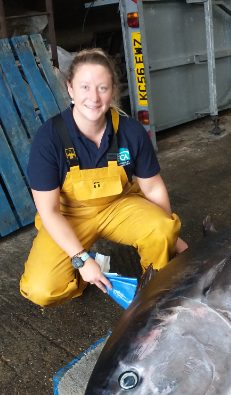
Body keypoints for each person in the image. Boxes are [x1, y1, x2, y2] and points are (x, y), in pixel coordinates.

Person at [20, 48, 188, 307]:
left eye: (102, 88)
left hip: (119, 206)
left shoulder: (131, 131)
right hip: (69, 216)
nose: (94, 98)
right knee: (42, 290)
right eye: (85, 87)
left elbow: (153, 188)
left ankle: (154, 288)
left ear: (112, 90)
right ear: (70, 89)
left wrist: (170, 237)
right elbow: (50, 212)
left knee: (163, 229)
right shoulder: (49, 138)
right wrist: (81, 260)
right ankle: (86, 271)